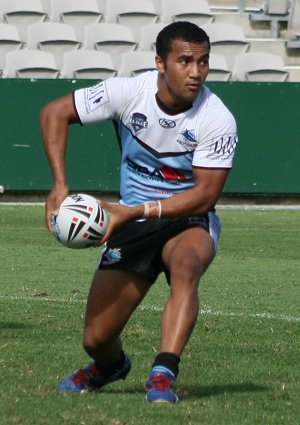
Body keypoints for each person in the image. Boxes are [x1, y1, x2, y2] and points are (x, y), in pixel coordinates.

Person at [40, 21, 238, 404]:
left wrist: (133, 211)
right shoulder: (128, 92)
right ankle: (109, 367)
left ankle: (163, 374)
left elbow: (203, 197)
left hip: (186, 219)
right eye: (184, 61)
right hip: (131, 224)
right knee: (97, 338)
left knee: (186, 264)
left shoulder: (217, 119)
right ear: (160, 64)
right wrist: (60, 185)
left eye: (203, 62)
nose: (196, 72)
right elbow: (54, 113)